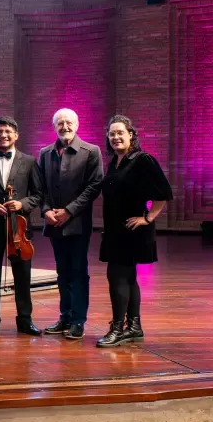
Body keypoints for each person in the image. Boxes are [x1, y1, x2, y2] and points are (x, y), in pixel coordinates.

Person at [96, 115, 172, 347]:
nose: (116, 137)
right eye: (112, 134)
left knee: (117, 276)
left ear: (131, 135)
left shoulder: (143, 160)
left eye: (120, 133)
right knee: (127, 277)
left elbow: (163, 193)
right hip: (115, 230)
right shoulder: (116, 162)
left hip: (131, 229)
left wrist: (147, 217)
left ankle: (118, 328)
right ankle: (134, 326)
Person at [37, 108, 103, 341]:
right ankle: (65, 316)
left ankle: (78, 320)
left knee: (78, 271)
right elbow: (40, 188)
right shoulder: (45, 153)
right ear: (54, 126)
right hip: (54, 222)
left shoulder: (91, 151)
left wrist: (69, 211)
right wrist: (45, 211)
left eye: (68, 122)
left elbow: (93, 187)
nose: (64, 126)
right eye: (60, 123)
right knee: (62, 271)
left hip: (77, 223)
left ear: (77, 124)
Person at [0, 116, 44, 336]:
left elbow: (38, 195)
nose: (3, 135)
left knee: (22, 274)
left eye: (8, 131)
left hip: (19, 227)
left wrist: (22, 203)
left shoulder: (30, 161)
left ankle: (25, 319)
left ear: (16, 135)